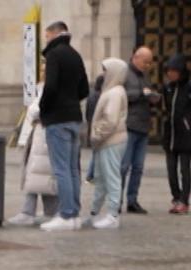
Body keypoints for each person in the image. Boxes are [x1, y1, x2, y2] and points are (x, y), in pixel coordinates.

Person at [38, 22, 89, 231]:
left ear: (54, 34)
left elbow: (50, 86)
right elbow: (84, 88)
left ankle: (66, 214)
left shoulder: (54, 55)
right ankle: (74, 213)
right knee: (72, 169)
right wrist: (70, 100)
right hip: (74, 116)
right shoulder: (75, 55)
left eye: (47, 35)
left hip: (57, 118)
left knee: (61, 169)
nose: (46, 39)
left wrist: (43, 108)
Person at [157, 54, 191, 214]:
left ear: (181, 71)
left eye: (174, 71)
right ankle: (176, 197)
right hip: (170, 134)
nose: (170, 74)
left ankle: (184, 201)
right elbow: (167, 108)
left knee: (184, 169)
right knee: (171, 169)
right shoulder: (168, 87)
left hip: (186, 134)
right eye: (168, 71)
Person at [84, 58, 129, 229]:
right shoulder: (113, 91)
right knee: (101, 178)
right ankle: (95, 213)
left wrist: (96, 134)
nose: (103, 74)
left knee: (111, 177)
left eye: (106, 70)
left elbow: (110, 120)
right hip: (107, 141)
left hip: (111, 140)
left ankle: (112, 214)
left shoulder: (115, 93)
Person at [8, 101, 58, 224]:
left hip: (43, 133)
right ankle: (50, 210)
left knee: (36, 172)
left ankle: (28, 211)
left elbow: (35, 111)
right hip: (43, 132)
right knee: (42, 174)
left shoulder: (48, 88)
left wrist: (31, 106)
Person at [122, 47, 157, 213]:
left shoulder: (145, 76)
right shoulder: (124, 74)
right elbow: (122, 95)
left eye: (150, 62)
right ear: (135, 57)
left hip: (143, 126)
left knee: (138, 167)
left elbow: (147, 93)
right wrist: (142, 94)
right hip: (129, 126)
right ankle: (116, 200)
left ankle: (132, 200)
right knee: (123, 166)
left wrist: (153, 97)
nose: (148, 65)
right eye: (145, 62)